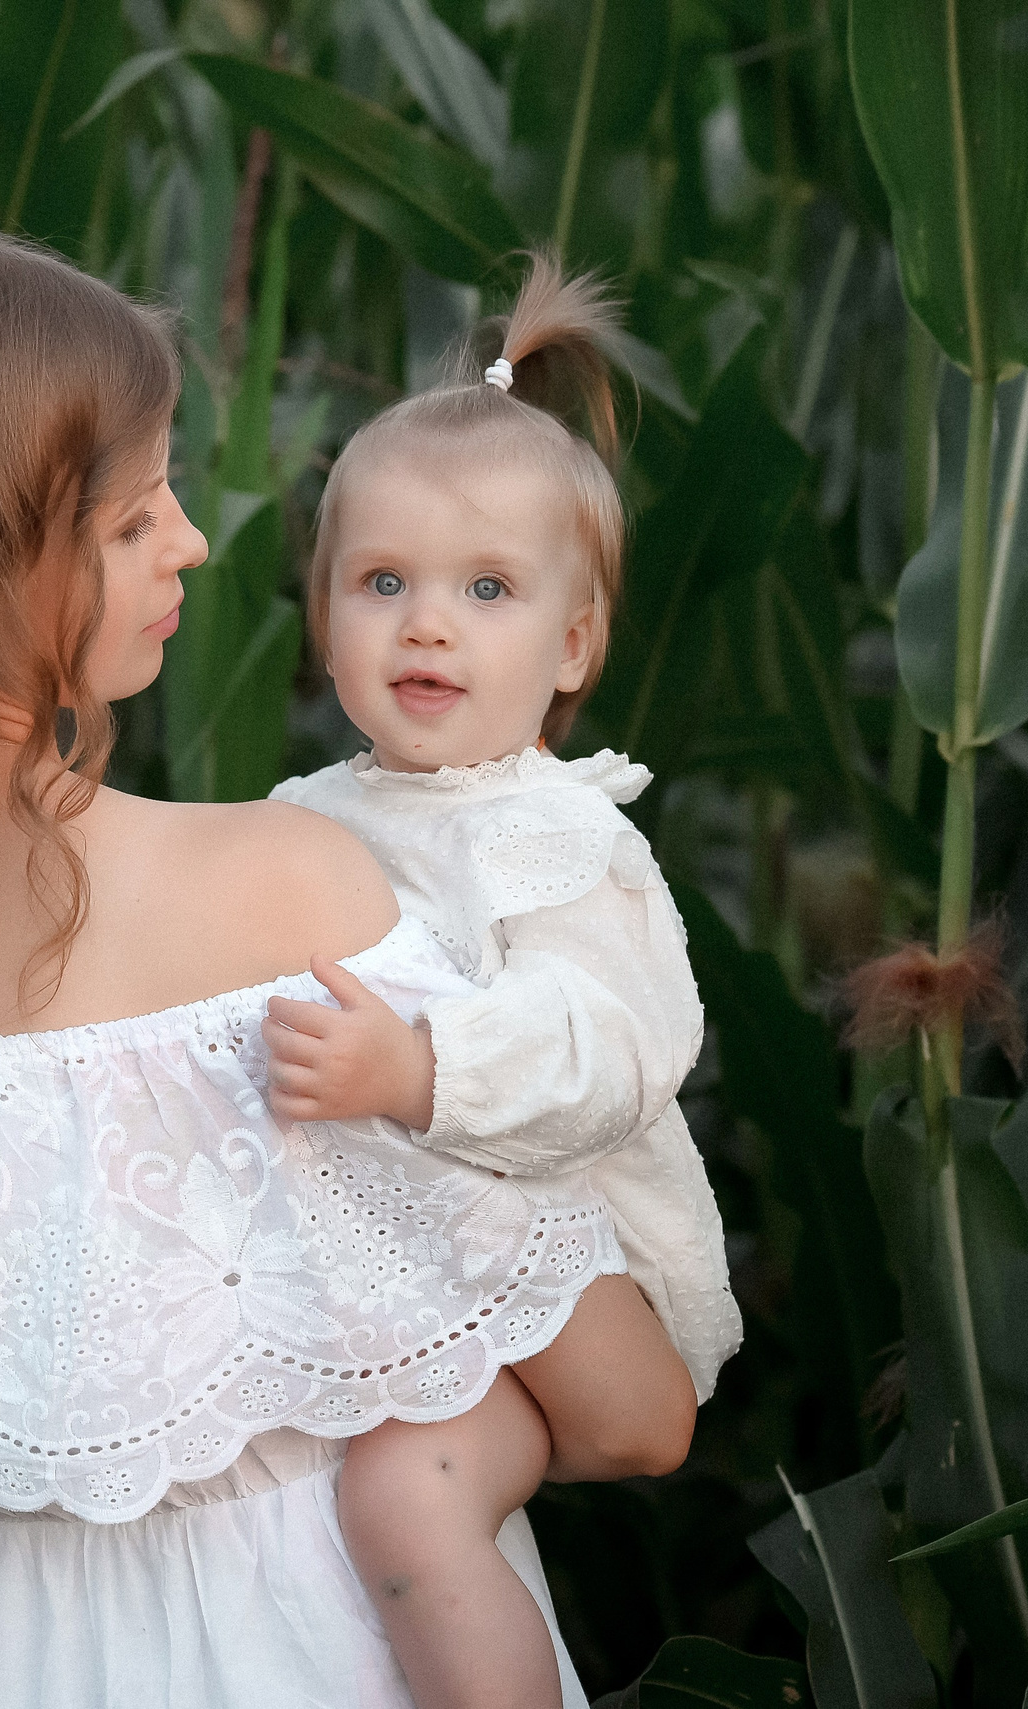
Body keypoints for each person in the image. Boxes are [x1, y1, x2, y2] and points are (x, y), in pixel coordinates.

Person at [0, 225, 686, 1708]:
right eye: (133, 514)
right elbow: (633, 1412)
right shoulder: (277, 892)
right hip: (278, 1640)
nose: (196, 541)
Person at [262, 254, 739, 1708]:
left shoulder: (559, 834)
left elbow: (610, 1052)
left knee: (406, 1504)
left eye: (486, 588)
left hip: (590, 1273)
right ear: (323, 613)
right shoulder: (299, 819)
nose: (427, 623)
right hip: (410, 1271)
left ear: (575, 644)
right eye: (383, 582)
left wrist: (418, 1069)